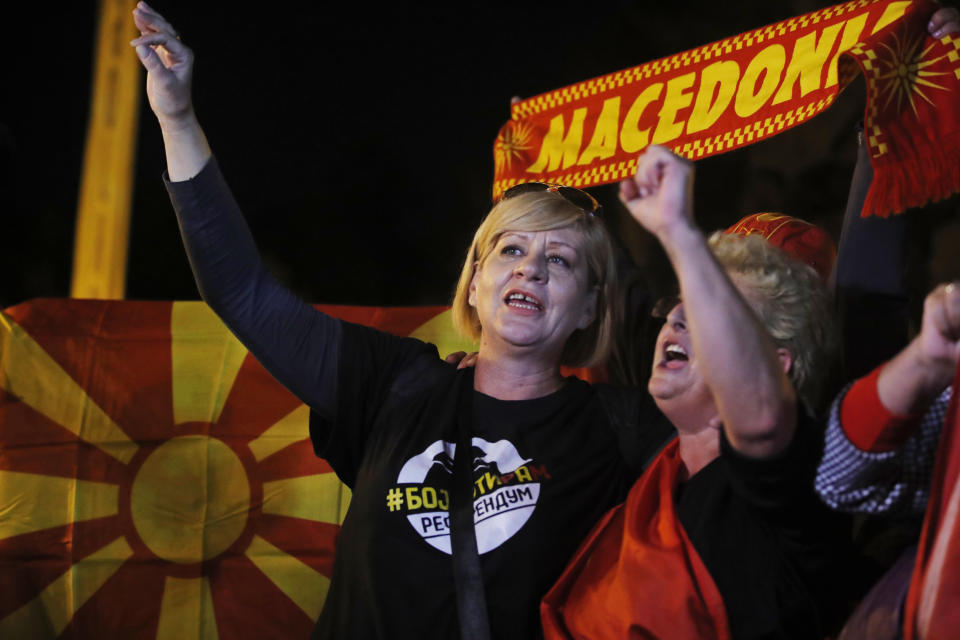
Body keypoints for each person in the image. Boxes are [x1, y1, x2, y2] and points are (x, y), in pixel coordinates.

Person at [130, 4, 674, 638]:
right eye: (512, 250)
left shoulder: (619, 429)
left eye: (561, 260)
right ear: (474, 283)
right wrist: (177, 117)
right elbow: (240, 292)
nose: (532, 271)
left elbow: (757, 444)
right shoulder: (392, 384)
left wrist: (678, 234)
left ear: (589, 307)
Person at [541, 146, 856, 639]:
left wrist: (679, 232)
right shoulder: (645, 446)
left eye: (716, 311)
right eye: (683, 301)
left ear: (777, 364)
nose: (678, 316)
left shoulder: (804, 482)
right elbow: (620, 294)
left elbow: (766, 425)